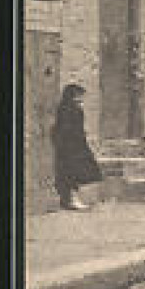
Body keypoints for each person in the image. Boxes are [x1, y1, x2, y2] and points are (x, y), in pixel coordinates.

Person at [50, 83, 103, 211]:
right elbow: (70, 129)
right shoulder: (73, 109)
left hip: (68, 146)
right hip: (73, 146)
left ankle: (69, 200)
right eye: (79, 95)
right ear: (73, 96)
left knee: (70, 174)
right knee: (73, 174)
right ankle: (72, 200)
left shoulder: (64, 108)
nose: (81, 98)